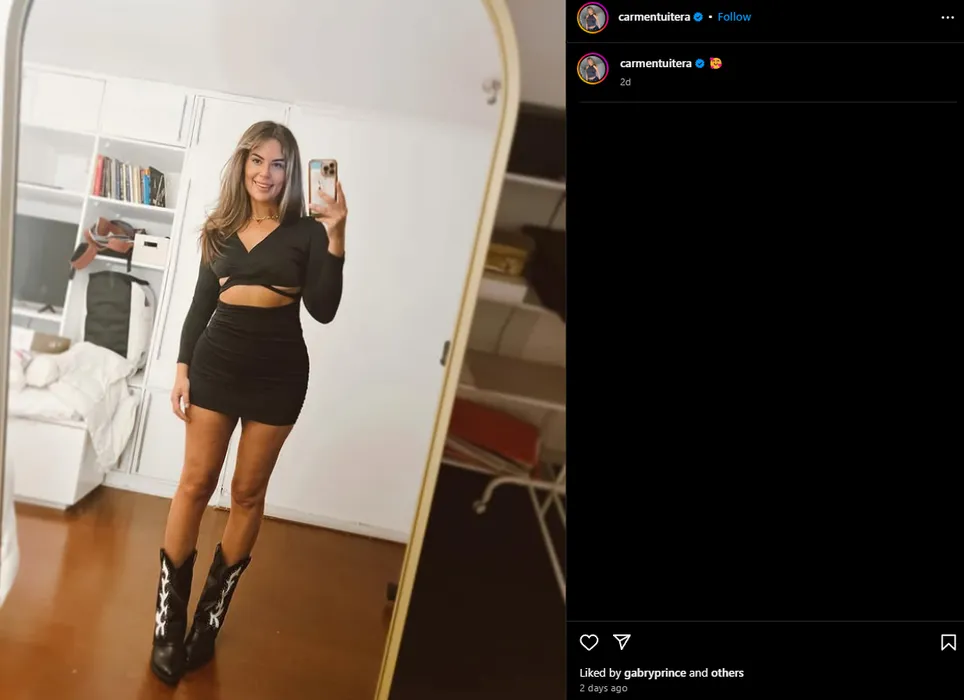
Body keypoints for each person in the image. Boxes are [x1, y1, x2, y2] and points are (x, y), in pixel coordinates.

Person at [149, 121, 347, 685]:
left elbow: (324, 309)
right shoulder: (219, 229)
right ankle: (167, 625)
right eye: (256, 160)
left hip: (277, 376)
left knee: (247, 494)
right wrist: (182, 368)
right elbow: (199, 304)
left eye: (278, 163)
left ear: (292, 171)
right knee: (194, 484)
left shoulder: (309, 231)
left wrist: (337, 234)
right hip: (215, 365)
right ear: (242, 164)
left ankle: (206, 624)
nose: (265, 172)